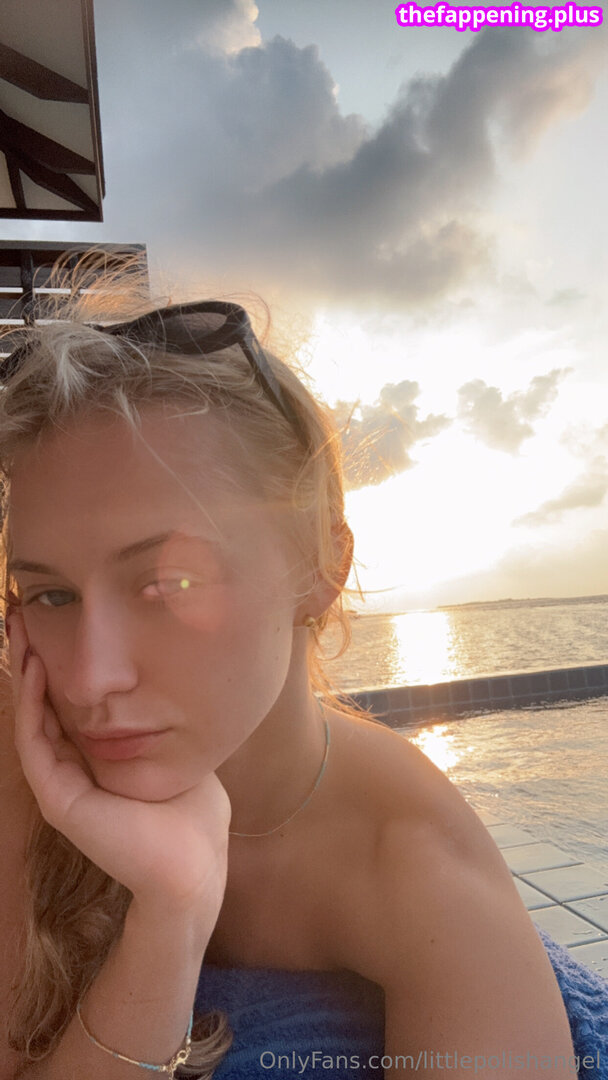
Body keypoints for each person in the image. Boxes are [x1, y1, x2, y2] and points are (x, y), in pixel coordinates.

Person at [0, 259, 581, 1080]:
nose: (89, 681)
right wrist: (171, 921)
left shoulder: (414, 865)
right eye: (51, 595)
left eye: (168, 582)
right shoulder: (27, 754)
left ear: (320, 566)